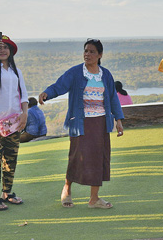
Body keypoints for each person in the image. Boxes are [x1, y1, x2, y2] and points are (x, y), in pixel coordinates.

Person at [39, 39, 125, 209]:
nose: (88, 54)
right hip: (80, 122)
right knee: (76, 157)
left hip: (101, 123)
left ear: (100, 55)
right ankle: (67, 189)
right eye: (86, 51)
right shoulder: (76, 72)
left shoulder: (105, 75)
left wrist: (119, 120)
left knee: (99, 159)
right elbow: (59, 85)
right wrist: (47, 93)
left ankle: (94, 199)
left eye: (92, 51)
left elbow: (113, 98)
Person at [0, 35, 29, 211]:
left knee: (11, 157)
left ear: (11, 52)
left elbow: (23, 95)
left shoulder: (17, 71)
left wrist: (25, 114)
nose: (2, 50)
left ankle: (7, 192)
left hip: (14, 119)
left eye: (6, 47)